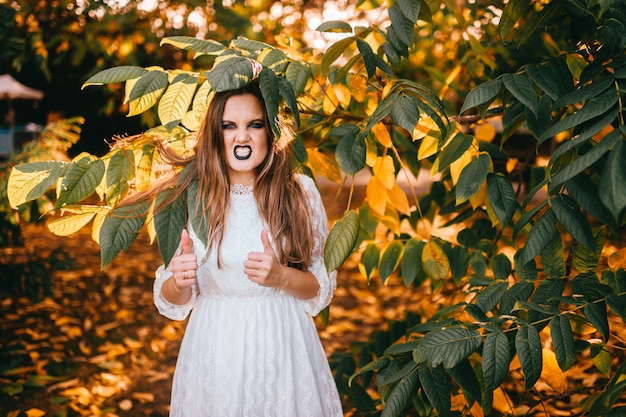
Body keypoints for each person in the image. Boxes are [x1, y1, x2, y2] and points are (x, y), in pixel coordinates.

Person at [150, 80, 343, 416]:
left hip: (282, 343)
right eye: (229, 126)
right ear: (215, 134)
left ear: (270, 131)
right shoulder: (193, 196)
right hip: (215, 345)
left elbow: (318, 286)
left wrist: (282, 277)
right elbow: (173, 299)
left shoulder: (298, 192)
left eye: (254, 125)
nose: (242, 137)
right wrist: (179, 281)